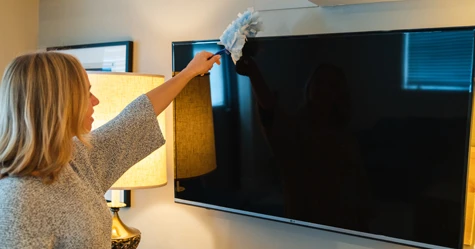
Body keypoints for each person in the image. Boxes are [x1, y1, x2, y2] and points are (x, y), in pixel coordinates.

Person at [0, 51, 221, 249]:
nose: (95, 101)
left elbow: (134, 119)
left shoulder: (73, 158)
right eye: (86, 93)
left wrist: (190, 72)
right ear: (58, 103)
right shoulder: (17, 199)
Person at [235, 49, 369, 231]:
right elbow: (270, 112)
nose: (323, 89)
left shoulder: (344, 136)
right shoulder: (296, 128)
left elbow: (358, 187)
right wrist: (253, 72)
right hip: (305, 224)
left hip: (342, 223)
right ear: (310, 86)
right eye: (319, 82)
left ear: (340, 93)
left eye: (332, 85)